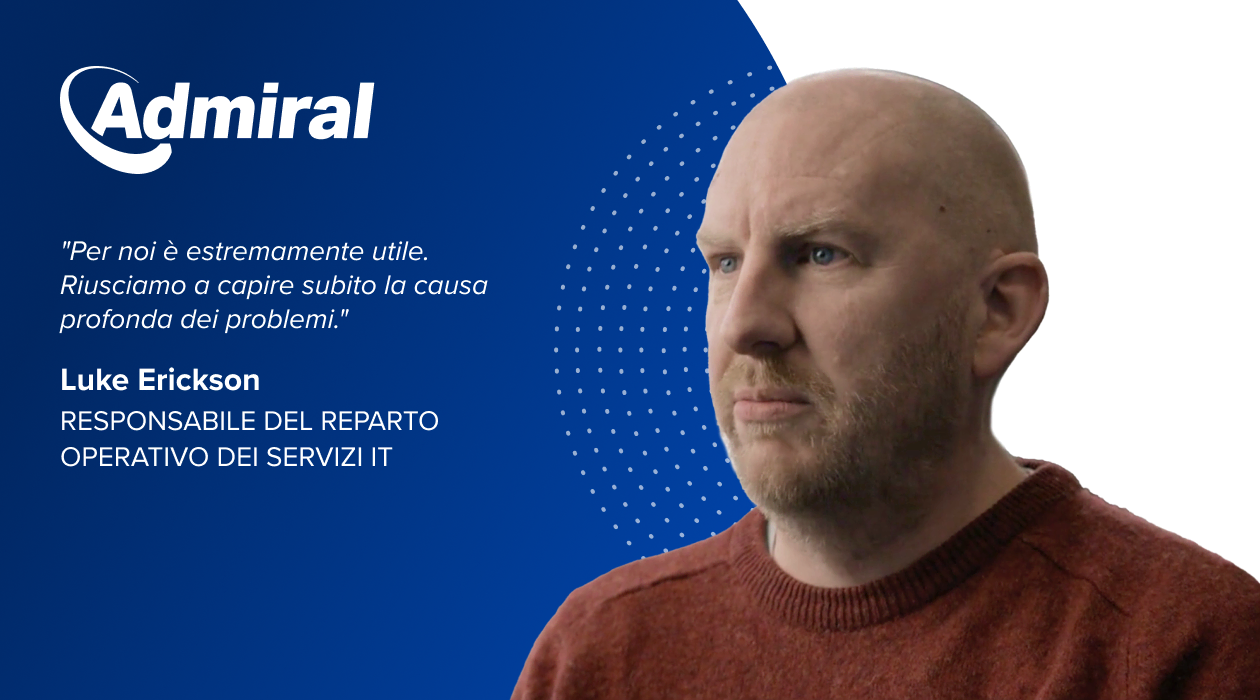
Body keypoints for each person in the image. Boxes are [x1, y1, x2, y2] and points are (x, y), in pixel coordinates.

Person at [512, 69, 1260, 699]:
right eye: (725, 263)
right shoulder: (601, 651)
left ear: (997, 311)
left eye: (820, 254)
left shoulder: (1180, 649)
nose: (744, 325)